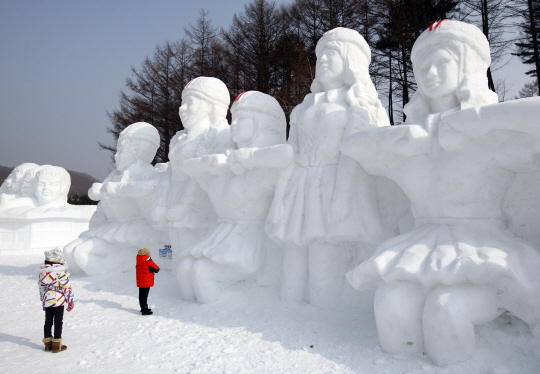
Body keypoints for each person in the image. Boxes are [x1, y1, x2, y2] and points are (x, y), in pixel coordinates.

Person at [340, 20, 540, 365]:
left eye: (442, 62)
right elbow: (353, 146)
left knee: (445, 310)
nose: (430, 73)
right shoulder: (413, 137)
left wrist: (479, 121)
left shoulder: (491, 129)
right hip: (423, 242)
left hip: (482, 246)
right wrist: (402, 138)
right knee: (390, 302)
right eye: (423, 67)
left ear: (467, 66)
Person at [265, 27, 388, 309]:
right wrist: (280, 199)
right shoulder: (303, 107)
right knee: (292, 261)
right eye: (319, 57)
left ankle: (325, 315)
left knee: (324, 258)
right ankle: (288, 312)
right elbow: (290, 155)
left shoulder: (358, 103)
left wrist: (342, 196)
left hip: (337, 183)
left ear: (350, 60)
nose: (322, 61)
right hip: (301, 185)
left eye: (330, 55)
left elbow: (354, 153)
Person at [177, 91, 294, 303]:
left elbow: (286, 155)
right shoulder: (228, 161)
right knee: (185, 269)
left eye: (242, 118)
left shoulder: (265, 164)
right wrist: (216, 163)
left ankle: (224, 308)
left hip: (248, 240)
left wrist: (245, 158)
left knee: (201, 273)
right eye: (233, 119)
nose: (234, 125)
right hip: (223, 234)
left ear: (261, 122)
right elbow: (187, 167)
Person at [152, 77, 234, 273]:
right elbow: (169, 174)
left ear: (211, 105)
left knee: (191, 246)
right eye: (182, 103)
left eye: (190, 102)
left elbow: (204, 175)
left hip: (198, 200)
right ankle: (181, 280)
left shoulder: (218, 134)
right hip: (175, 196)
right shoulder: (178, 139)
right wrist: (161, 203)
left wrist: (185, 205)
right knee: (175, 244)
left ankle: (193, 280)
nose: (182, 109)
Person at [63, 122, 165, 276]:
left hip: (131, 229)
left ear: (140, 152)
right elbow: (99, 198)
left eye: (121, 151)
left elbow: (147, 192)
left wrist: (117, 190)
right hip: (113, 227)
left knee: (81, 254)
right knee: (68, 251)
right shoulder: (115, 175)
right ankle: (108, 264)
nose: (116, 156)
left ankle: (124, 264)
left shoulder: (144, 174)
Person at [38, 248, 74, 353]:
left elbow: (41, 288)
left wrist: (43, 301)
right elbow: (66, 287)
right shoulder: (60, 272)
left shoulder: (42, 272)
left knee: (48, 321)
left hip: (47, 299)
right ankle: (57, 345)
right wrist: (70, 300)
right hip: (58, 299)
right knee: (58, 321)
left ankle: (48, 344)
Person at [136, 247, 160, 315]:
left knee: (141, 295)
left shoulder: (138, 260)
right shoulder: (149, 262)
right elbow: (157, 269)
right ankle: (144, 310)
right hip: (146, 281)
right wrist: (151, 260)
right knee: (144, 295)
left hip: (140, 281)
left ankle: (143, 308)